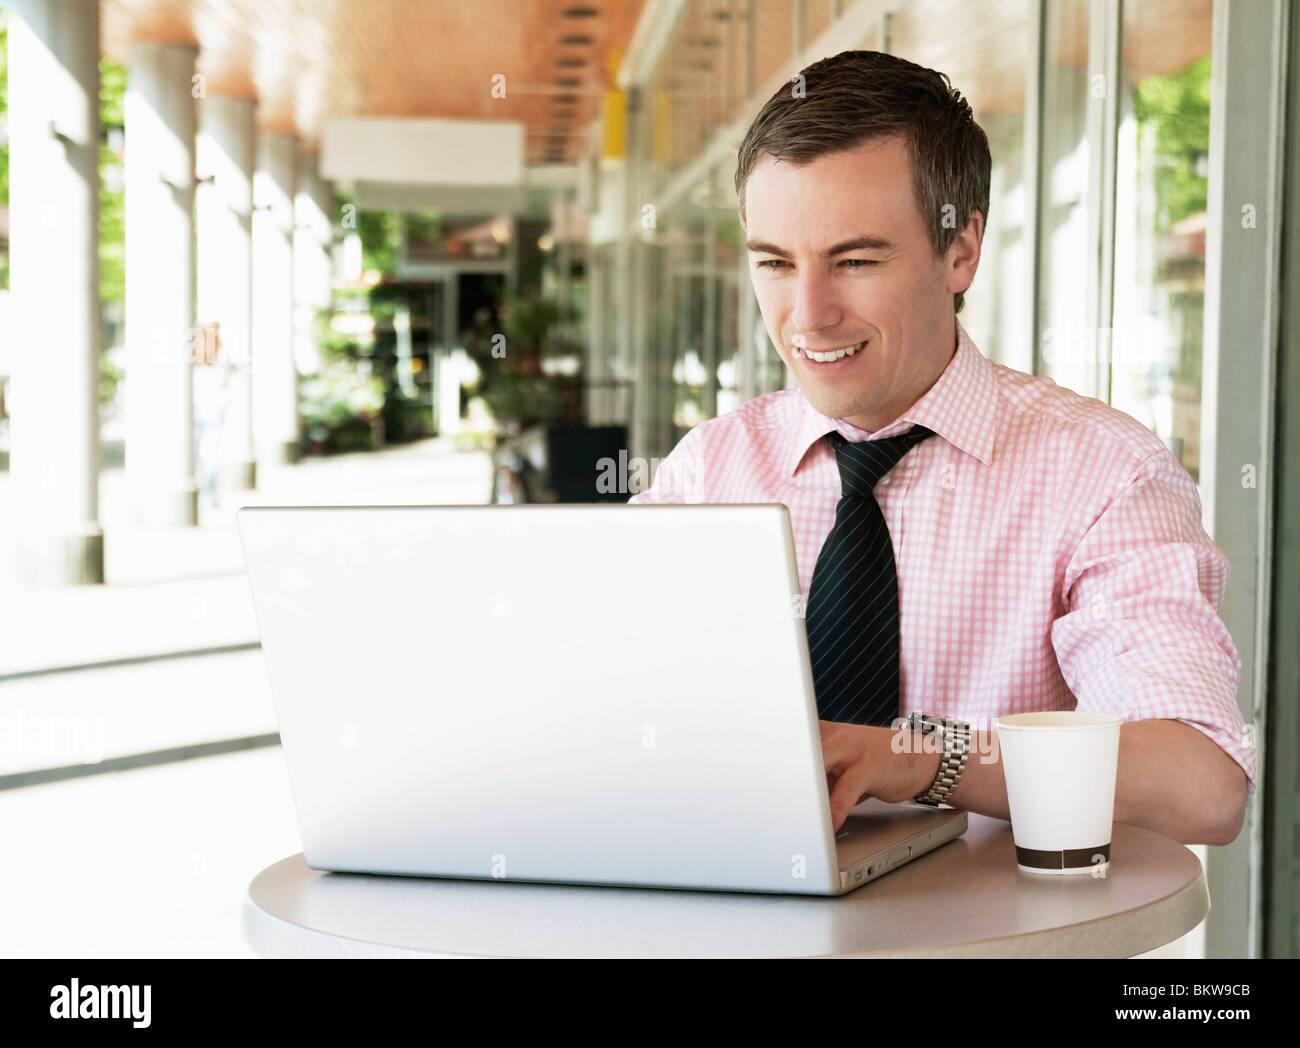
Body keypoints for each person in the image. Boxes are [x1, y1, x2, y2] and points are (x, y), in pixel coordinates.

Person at [628, 50, 1252, 846]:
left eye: (855, 260)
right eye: (776, 264)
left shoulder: (1104, 474)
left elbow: (1201, 785)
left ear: (961, 252)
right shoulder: (707, 473)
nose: (808, 315)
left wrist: (922, 759)